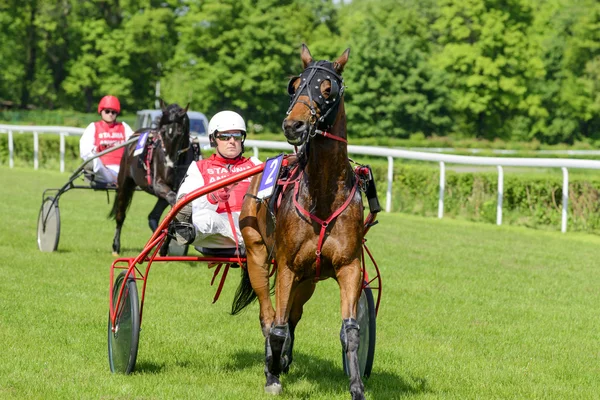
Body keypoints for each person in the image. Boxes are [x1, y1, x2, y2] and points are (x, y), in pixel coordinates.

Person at [173, 111, 261, 251]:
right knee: (205, 216)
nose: (232, 141)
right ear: (214, 139)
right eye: (225, 137)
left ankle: (185, 231)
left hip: (253, 226)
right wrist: (212, 198)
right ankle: (184, 231)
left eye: (237, 136)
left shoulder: (255, 164)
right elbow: (185, 204)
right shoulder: (199, 167)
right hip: (218, 229)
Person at [79, 95, 134, 184]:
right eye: (107, 111)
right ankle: (116, 180)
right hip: (103, 169)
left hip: (123, 168)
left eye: (113, 112)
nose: (110, 114)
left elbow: (134, 144)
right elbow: (85, 150)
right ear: (101, 111)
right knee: (93, 160)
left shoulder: (124, 127)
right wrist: (97, 149)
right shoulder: (93, 127)